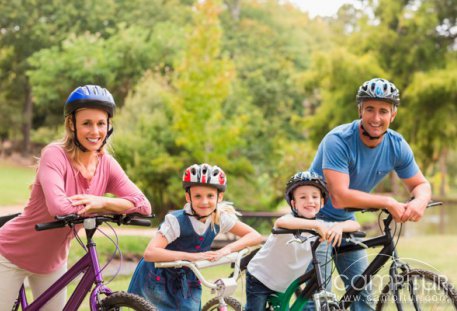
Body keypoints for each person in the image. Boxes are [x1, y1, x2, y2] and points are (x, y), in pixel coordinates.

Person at [0, 85, 152, 310]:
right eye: (87, 123)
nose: (95, 131)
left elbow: (143, 206)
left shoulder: (107, 164)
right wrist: (115, 206)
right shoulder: (54, 154)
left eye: (101, 123)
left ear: (109, 125)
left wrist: (102, 203)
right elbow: (59, 207)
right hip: (11, 255)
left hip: (52, 264)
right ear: (72, 125)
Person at [306, 77, 432, 310]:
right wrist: (386, 201)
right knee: (318, 298)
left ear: (392, 115)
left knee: (362, 295)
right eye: (370, 109)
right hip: (312, 218)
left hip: (344, 220)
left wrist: (420, 201)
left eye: (383, 111)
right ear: (360, 110)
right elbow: (339, 196)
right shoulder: (338, 140)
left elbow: (420, 184)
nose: (376, 118)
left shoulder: (396, 145)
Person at [128, 163, 263, 311]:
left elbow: (255, 236)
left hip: (188, 279)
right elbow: (150, 253)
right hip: (157, 278)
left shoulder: (220, 218)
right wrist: (193, 257)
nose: (204, 202)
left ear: (220, 196)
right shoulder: (176, 221)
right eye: (198, 196)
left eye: (210, 196)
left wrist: (226, 250)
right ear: (188, 197)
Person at [245, 171, 361, 311]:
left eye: (315, 196)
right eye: (303, 197)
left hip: (285, 283)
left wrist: (339, 227)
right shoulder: (290, 221)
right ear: (294, 203)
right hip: (261, 278)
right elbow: (280, 222)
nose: (310, 201)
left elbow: (355, 225)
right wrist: (315, 225)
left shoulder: (322, 225)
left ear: (322, 202)